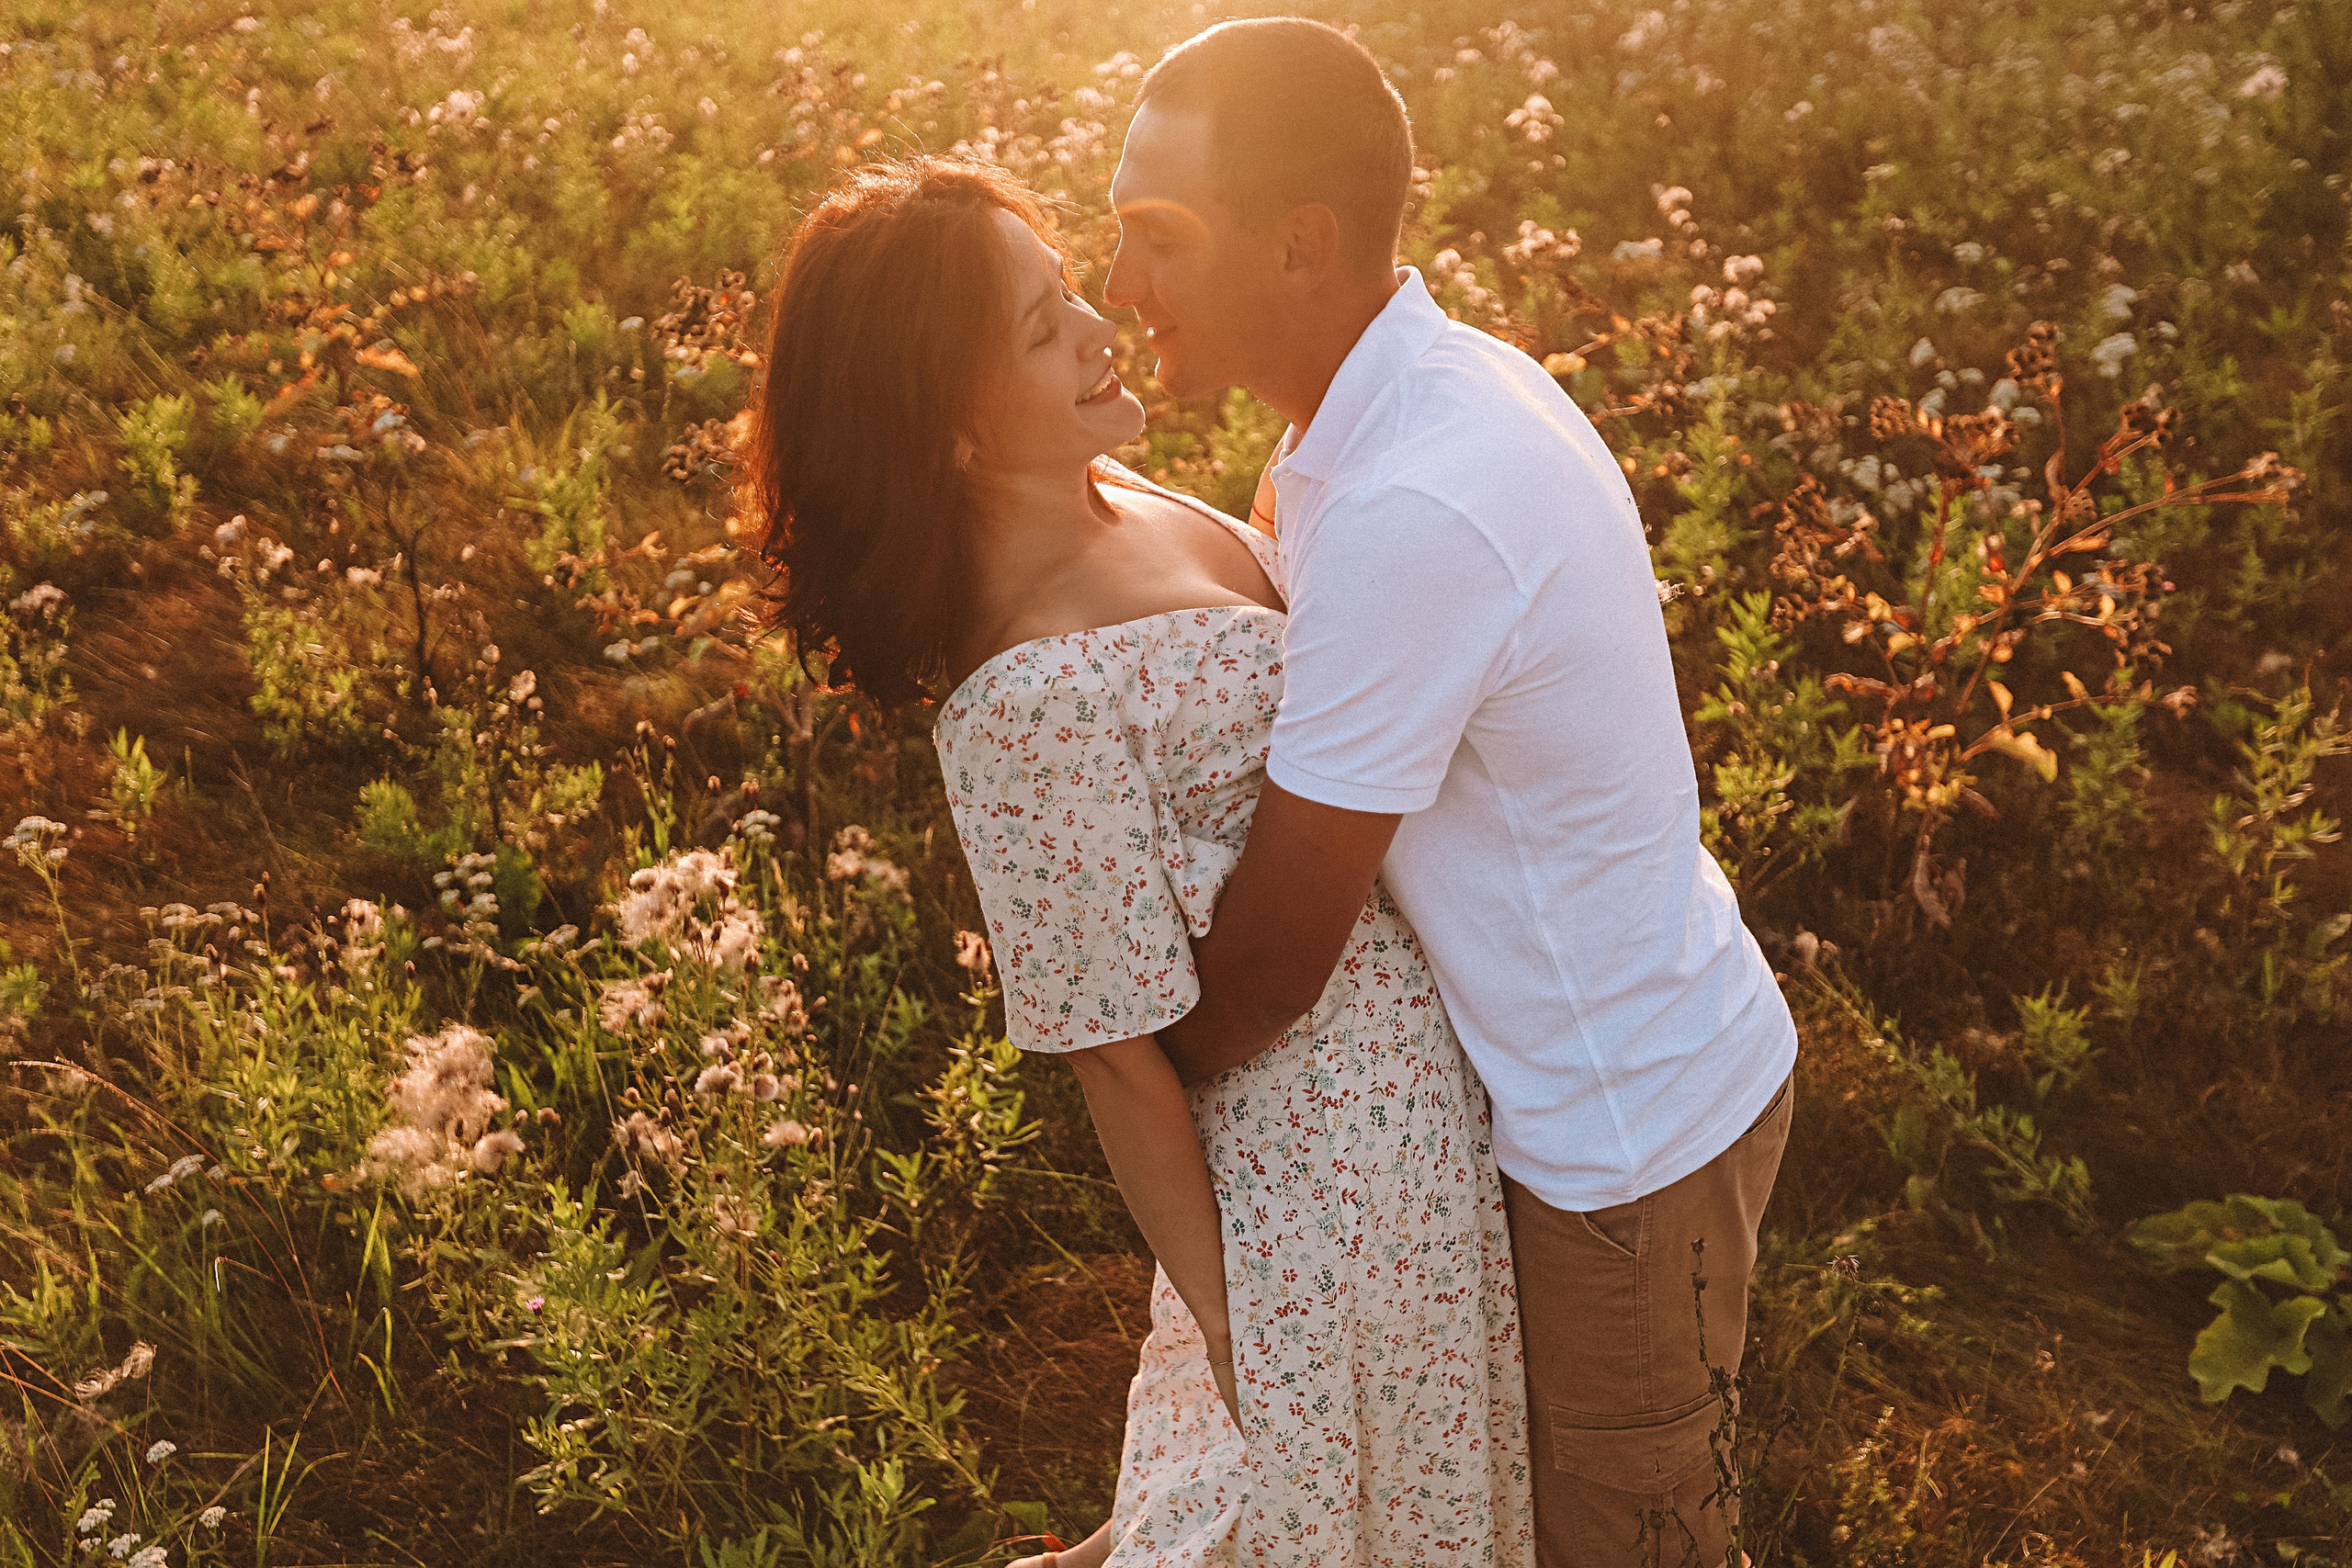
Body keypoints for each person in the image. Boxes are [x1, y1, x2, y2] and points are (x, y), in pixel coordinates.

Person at [741, 157, 1531, 1567]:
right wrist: (1236, 1334)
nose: (1099, 324)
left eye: (1062, 290)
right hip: (1320, 1190)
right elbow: (1115, 1054)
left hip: (1425, 1118)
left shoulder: (1130, 494)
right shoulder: (1023, 700)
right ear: (954, 435)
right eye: (1045, 332)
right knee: (1302, 1516)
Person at [1103, 18, 1799, 1568]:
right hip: (1629, 1062)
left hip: (1623, 1143)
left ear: (1302, 244)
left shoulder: (1415, 501)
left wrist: (1126, 1069)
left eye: (1157, 237)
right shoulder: (1422, 394)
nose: (1120, 284)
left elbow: (1275, 966)